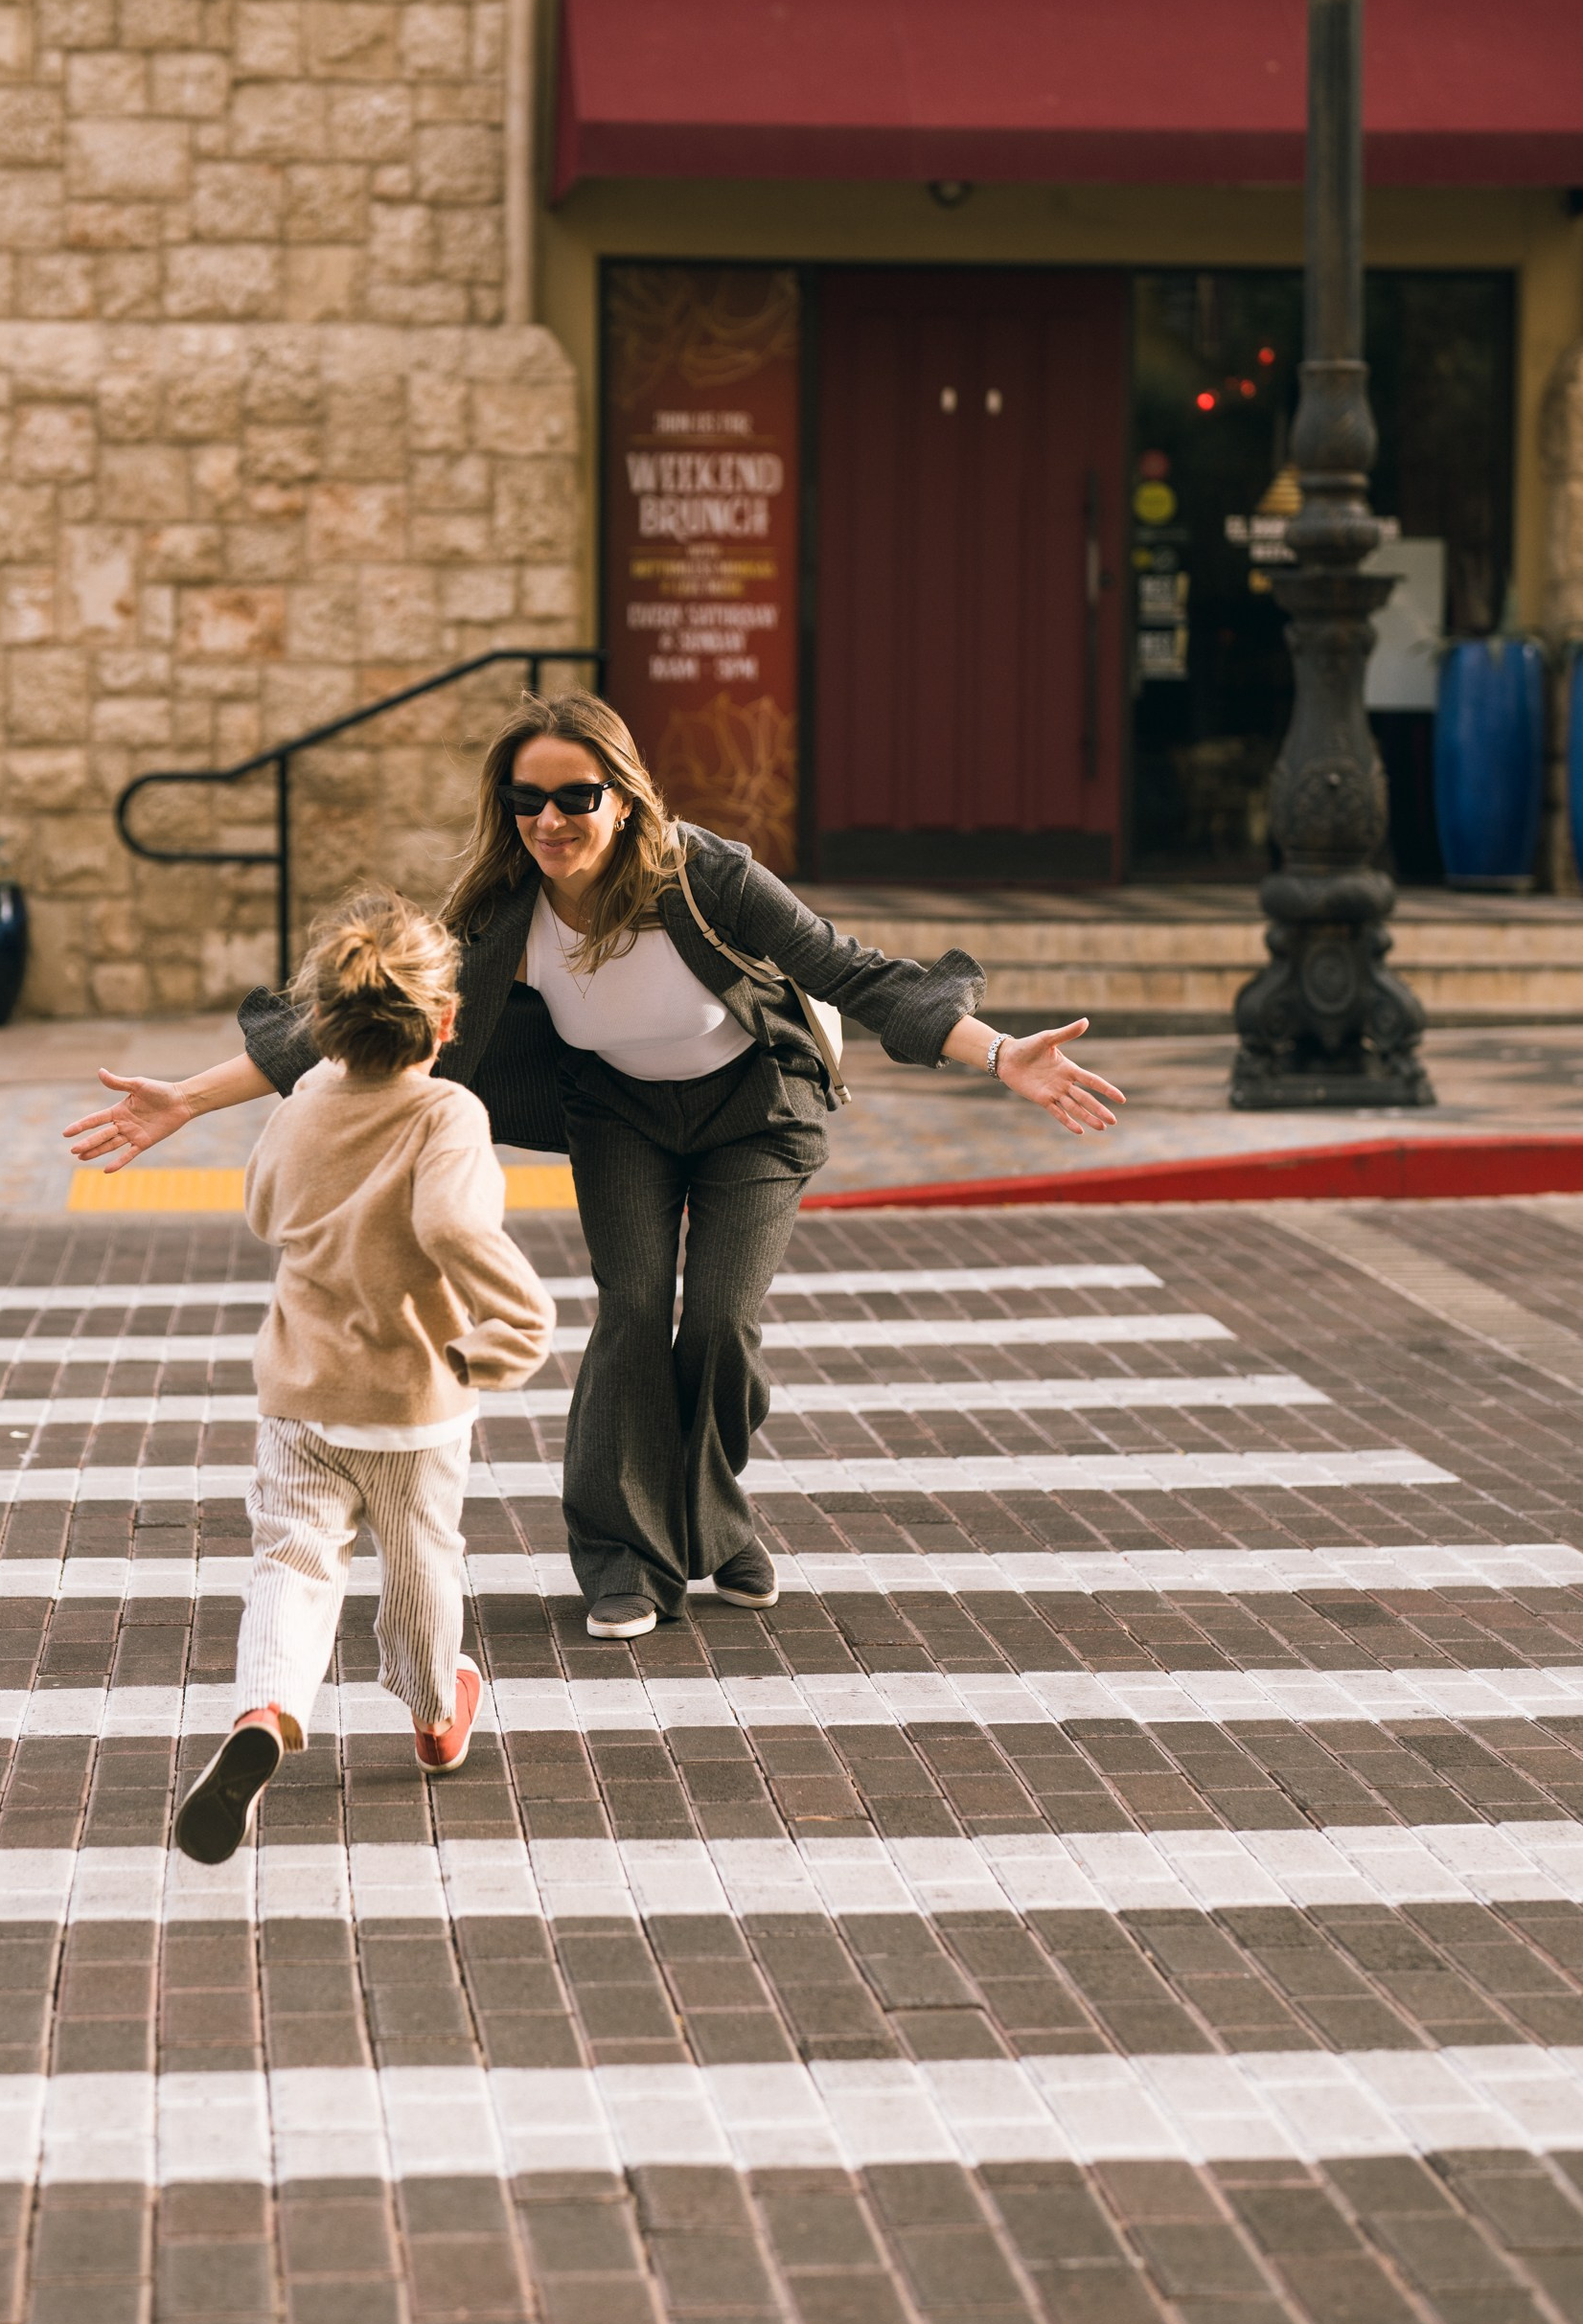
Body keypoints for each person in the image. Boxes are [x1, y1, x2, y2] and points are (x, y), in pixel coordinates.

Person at [65, 692, 1120, 1645]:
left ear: (624, 795)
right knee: (629, 1311)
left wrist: (995, 1053)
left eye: (576, 795)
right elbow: (349, 1015)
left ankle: (710, 1517)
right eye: (528, 800)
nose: (550, 821)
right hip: (617, 1111)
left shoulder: (712, 879)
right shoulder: (502, 908)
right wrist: (186, 1099)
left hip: (754, 1109)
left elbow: (853, 972)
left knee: (716, 1320)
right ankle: (620, 1557)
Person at [126, 889, 554, 1864]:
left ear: (320, 1019)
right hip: (413, 1396)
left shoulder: (307, 1096)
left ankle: (267, 1709)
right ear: (447, 1020)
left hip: (300, 1391)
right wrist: (515, 1325)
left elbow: (265, 1209)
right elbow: (452, 1226)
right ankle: (436, 1714)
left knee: (292, 1557)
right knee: (417, 1564)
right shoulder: (446, 1112)